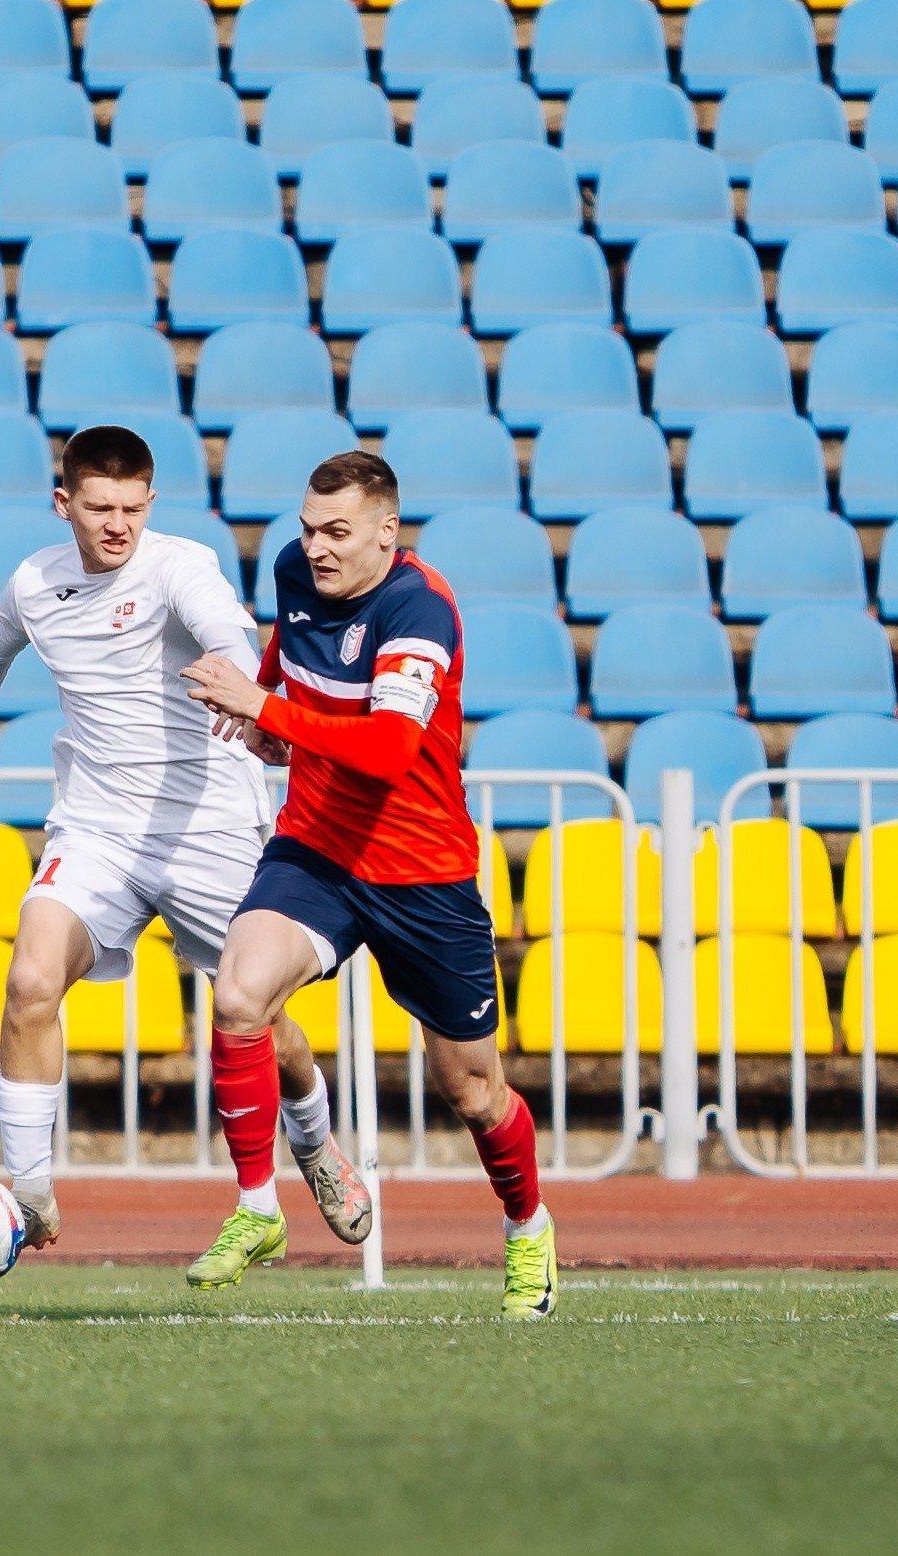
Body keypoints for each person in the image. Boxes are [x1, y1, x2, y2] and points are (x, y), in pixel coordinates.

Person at [0, 427, 372, 1280]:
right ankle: (33, 1192)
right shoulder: (34, 583)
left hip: (209, 831)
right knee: (29, 979)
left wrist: (244, 688)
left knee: (263, 1025)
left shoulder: (179, 566)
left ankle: (315, 1144)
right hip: (97, 831)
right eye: (99, 509)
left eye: (132, 508)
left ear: (150, 505)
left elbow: (227, 640)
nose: (117, 524)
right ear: (65, 505)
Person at [181, 450, 556, 1320]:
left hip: (422, 871)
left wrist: (268, 708)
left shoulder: (420, 610)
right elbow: (287, 660)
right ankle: (257, 1209)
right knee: (239, 995)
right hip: (317, 846)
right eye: (308, 529)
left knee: (472, 1090)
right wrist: (264, 710)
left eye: (337, 533)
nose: (316, 548)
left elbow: (388, 751)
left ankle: (527, 1225)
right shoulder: (294, 571)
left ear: (388, 532)